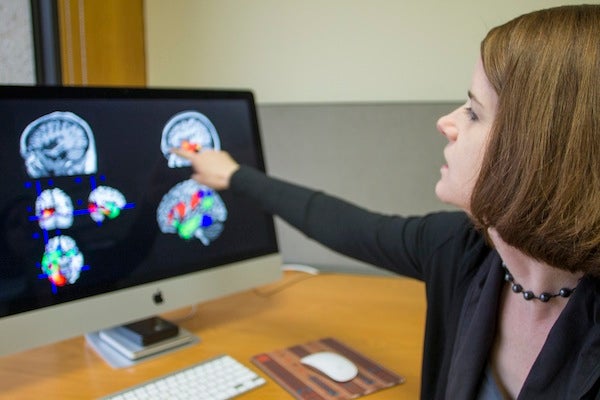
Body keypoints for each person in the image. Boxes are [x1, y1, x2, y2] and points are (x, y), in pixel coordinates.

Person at [172, 4, 600, 399]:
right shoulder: (461, 250)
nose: (445, 123)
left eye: (472, 111)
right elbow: (343, 224)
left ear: (541, 150)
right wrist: (234, 176)